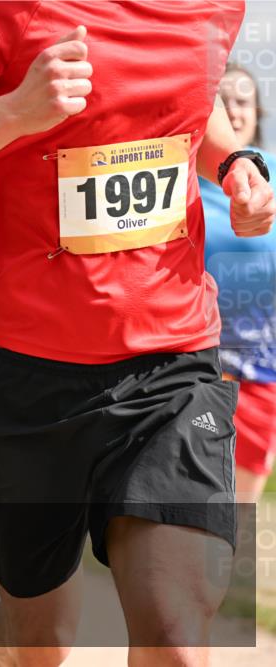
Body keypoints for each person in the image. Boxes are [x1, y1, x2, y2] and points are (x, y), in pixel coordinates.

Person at [0, 2, 274, 666]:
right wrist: (14, 112)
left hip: (172, 362)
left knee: (176, 633)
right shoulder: (5, 8)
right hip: (30, 375)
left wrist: (234, 163)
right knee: (41, 642)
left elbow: (192, 97)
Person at [202, 64, 276, 503]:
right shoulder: (180, 184)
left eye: (242, 100)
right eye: (221, 99)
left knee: (236, 515)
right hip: (194, 370)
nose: (232, 109)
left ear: (257, 112)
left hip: (262, 373)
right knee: (192, 505)